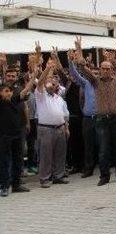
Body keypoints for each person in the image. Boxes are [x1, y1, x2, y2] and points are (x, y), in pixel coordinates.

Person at [74, 37, 116, 186]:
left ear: (112, 69)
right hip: (102, 120)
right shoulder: (95, 81)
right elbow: (82, 67)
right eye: (103, 68)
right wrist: (79, 49)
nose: (105, 70)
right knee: (104, 149)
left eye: (108, 68)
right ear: (100, 70)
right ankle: (104, 177)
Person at [35, 56, 70, 188]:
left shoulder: (59, 98)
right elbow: (40, 83)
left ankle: (58, 176)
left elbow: (65, 115)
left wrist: (66, 127)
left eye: (54, 83)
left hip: (60, 128)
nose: (52, 84)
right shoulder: (41, 94)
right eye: (49, 82)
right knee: (46, 155)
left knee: (60, 153)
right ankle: (44, 178)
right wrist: (48, 69)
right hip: (46, 129)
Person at [0, 70, 34, 196]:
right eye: (5, 91)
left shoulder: (14, 98)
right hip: (4, 136)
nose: (8, 93)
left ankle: (16, 184)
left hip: (17, 133)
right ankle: (4, 186)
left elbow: (25, 91)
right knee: (4, 160)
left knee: (18, 158)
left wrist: (34, 75)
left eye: (10, 91)